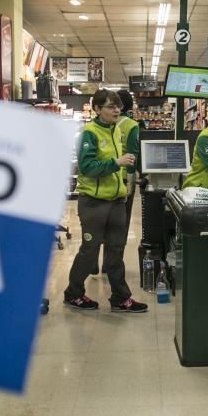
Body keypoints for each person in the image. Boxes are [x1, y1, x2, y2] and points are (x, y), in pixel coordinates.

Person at [64, 89, 148, 313]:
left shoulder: (116, 131)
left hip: (116, 201)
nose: (117, 110)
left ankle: (121, 297)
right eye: (111, 106)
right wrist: (116, 162)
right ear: (98, 109)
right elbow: (88, 167)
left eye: (118, 106)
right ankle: (73, 294)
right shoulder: (89, 133)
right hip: (94, 202)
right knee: (90, 250)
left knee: (116, 250)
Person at [96, 89, 140, 274]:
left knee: (100, 225)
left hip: (102, 178)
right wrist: (131, 181)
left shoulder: (100, 124)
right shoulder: (131, 125)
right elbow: (132, 155)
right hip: (121, 181)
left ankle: (92, 262)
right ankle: (111, 265)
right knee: (119, 227)